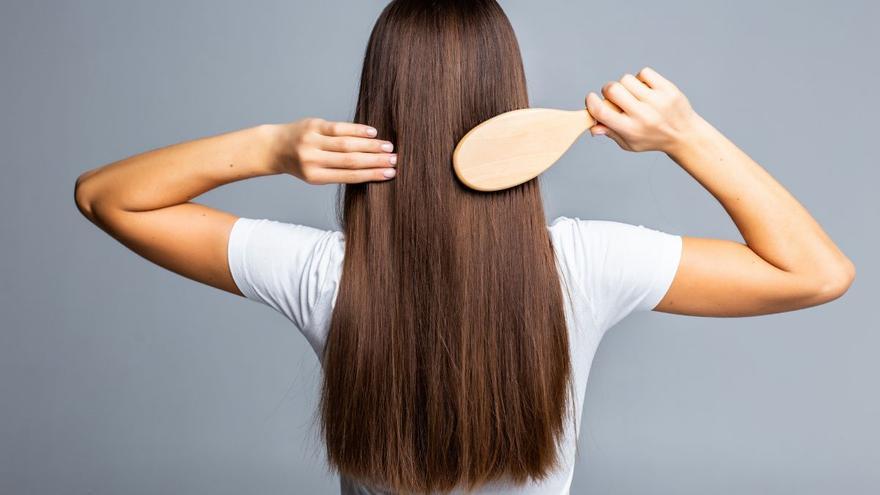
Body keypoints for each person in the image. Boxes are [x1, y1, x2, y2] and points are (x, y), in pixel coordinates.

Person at [73, 1, 854, 493]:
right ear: (506, 100)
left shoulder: (329, 277)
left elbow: (105, 197)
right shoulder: (582, 266)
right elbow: (817, 273)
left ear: (378, 109)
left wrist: (271, 146)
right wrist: (687, 134)